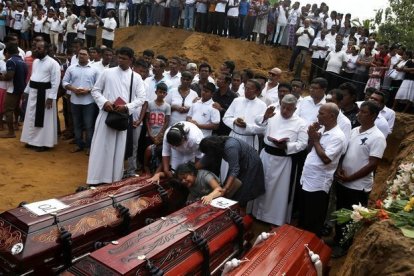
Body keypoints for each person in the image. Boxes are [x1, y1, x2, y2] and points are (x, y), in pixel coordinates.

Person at [333, 100, 387, 257]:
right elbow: (345, 152)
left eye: (364, 112)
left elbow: (372, 164)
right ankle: (338, 238)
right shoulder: (355, 130)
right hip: (344, 180)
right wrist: (340, 169)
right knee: (340, 211)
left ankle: (344, 245)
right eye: (359, 111)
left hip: (357, 185)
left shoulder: (377, 137)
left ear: (374, 116)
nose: (359, 114)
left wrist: (350, 178)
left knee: (352, 216)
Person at [86, 47, 146, 185]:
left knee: (118, 149)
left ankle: (112, 180)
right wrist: (104, 102)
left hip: (121, 118)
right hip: (106, 115)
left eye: (124, 58)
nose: (120, 60)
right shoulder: (107, 73)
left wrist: (126, 107)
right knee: (100, 146)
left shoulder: (136, 77)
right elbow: (95, 91)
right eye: (119, 57)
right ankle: (95, 178)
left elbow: (142, 98)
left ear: (131, 60)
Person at [251, 94, 308, 226]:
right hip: (266, 155)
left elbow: (303, 143)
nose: (284, 111)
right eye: (283, 107)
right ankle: (257, 213)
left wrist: (287, 145)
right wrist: (265, 116)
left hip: (284, 161)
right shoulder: (272, 115)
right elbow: (258, 122)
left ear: (294, 109)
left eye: (289, 109)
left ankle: (274, 218)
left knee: (278, 191)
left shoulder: (301, 123)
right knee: (261, 183)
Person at [299, 103, 346, 237]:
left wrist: (316, 140)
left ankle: (311, 246)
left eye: (321, 113)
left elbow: (326, 159)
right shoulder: (322, 131)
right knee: (304, 214)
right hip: (307, 178)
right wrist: (311, 137)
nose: (318, 116)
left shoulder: (338, 136)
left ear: (332, 116)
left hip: (318, 184)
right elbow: (309, 151)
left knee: (313, 219)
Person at [198, 135, 265, 207]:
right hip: (239, 165)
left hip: (250, 165)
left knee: (242, 194)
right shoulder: (216, 146)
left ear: (213, 149)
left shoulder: (230, 147)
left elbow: (234, 169)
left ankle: (241, 213)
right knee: (230, 193)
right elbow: (205, 160)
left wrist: (226, 188)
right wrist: (193, 170)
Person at [20, 41, 61, 151]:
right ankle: (31, 140)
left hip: (45, 94)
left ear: (46, 50)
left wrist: (51, 97)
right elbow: (32, 77)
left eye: (39, 48)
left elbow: (56, 81)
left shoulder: (53, 63)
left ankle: (43, 143)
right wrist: (26, 91)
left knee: (44, 119)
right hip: (33, 92)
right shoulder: (36, 62)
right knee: (31, 116)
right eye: (36, 48)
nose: (36, 50)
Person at [62, 47, 100, 154]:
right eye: (80, 54)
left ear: (88, 56)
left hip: (89, 102)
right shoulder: (71, 68)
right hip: (74, 101)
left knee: (88, 125)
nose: (81, 56)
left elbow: (98, 86)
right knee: (77, 124)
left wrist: (88, 91)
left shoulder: (94, 69)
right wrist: (73, 89)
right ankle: (79, 144)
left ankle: (89, 146)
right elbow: (64, 82)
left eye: (84, 54)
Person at [223, 79, 266, 150]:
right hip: (234, 136)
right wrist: (234, 121)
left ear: (257, 91)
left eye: (249, 89)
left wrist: (247, 126)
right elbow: (226, 117)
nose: (246, 90)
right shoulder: (237, 101)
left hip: (249, 139)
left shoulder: (262, 105)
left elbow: (262, 128)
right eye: (245, 88)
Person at [0, 44, 28, 138]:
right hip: (21, 88)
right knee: (16, 108)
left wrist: (1, 77)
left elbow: (9, 76)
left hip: (13, 89)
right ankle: (17, 123)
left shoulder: (11, 61)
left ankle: (11, 132)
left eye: (5, 54)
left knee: (8, 110)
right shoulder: (22, 61)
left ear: (7, 53)